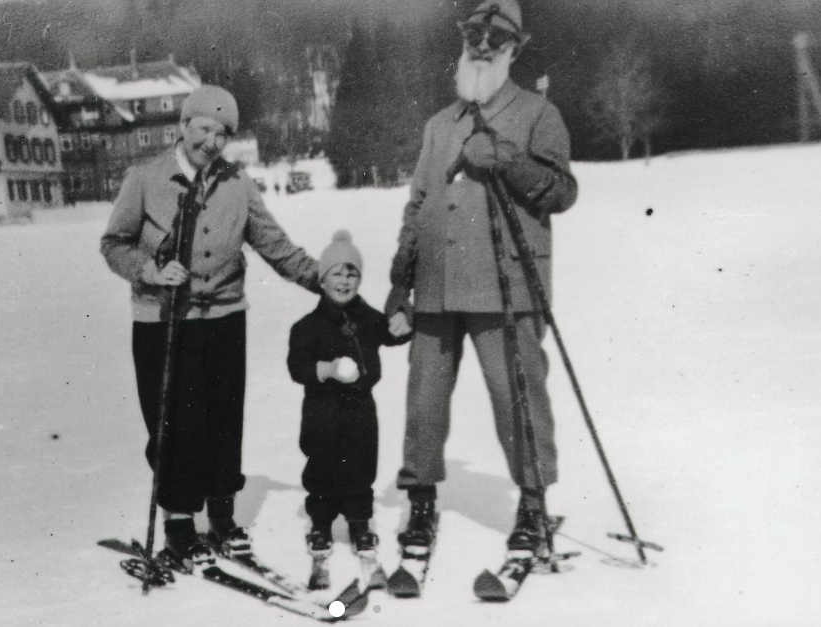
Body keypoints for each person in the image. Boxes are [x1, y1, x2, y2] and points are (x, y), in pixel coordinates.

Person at [385, 0, 580, 553]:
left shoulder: (539, 114)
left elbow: (562, 193)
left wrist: (506, 159)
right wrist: (401, 282)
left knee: (515, 395)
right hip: (437, 287)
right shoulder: (438, 124)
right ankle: (421, 502)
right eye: (474, 35)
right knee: (424, 400)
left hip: (506, 285)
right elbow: (419, 203)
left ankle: (533, 502)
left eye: (496, 38)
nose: (483, 46)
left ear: (516, 48)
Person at [100, 85, 321, 568]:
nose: (212, 142)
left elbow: (275, 246)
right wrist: (149, 272)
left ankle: (222, 516)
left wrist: (325, 280)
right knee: (174, 425)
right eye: (204, 129)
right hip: (162, 321)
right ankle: (179, 521)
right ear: (182, 126)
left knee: (223, 419)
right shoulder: (145, 178)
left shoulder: (237, 184)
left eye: (222, 134)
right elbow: (115, 244)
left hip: (223, 320)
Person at [287, 231, 410, 570]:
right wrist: (324, 369)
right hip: (321, 407)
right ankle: (321, 524)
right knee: (321, 462)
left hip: (360, 406)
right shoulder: (307, 327)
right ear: (323, 280)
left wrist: (403, 325)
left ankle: (359, 522)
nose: (345, 281)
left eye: (352, 273)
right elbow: (296, 367)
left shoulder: (367, 317)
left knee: (360, 462)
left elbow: (388, 332)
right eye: (337, 274)